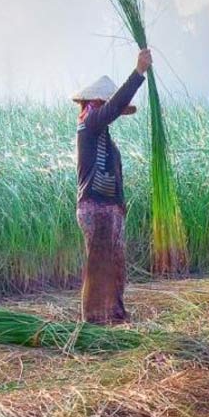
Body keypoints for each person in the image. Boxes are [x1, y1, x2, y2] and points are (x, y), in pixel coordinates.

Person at [72, 49, 151, 324]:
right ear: (95, 102)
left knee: (115, 263)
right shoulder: (89, 123)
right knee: (99, 266)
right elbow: (116, 105)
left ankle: (114, 316)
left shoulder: (100, 132)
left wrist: (120, 206)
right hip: (96, 206)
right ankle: (94, 321)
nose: (108, 111)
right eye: (104, 104)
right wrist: (138, 73)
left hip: (109, 209)